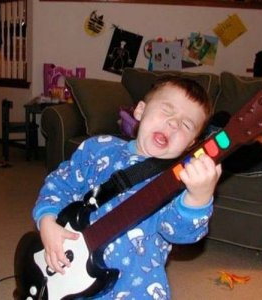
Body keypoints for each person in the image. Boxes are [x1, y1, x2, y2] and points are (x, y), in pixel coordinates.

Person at [33, 77, 222, 299]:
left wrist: (199, 197)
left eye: (187, 124)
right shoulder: (98, 148)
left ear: (191, 144)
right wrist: (47, 221)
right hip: (72, 275)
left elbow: (181, 233)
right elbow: (60, 183)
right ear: (140, 111)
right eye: (167, 110)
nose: (174, 123)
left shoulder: (177, 182)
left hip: (136, 290)